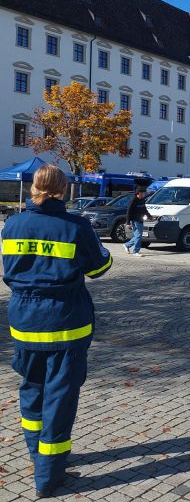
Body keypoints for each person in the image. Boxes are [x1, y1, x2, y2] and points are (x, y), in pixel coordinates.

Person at [1, 165, 112, 498]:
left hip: (24, 320)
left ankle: (37, 454)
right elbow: (100, 267)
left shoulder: (12, 224)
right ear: (63, 189)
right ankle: (49, 477)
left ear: (34, 187)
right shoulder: (76, 226)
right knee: (60, 397)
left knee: (31, 389)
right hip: (66, 323)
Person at [124, 186, 149, 256]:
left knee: (138, 236)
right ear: (139, 193)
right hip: (135, 221)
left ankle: (127, 245)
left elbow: (145, 210)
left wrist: (149, 216)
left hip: (140, 220)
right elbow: (128, 212)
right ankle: (136, 251)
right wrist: (128, 223)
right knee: (138, 236)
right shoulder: (133, 201)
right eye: (143, 193)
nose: (144, 194)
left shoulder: (142, 200)